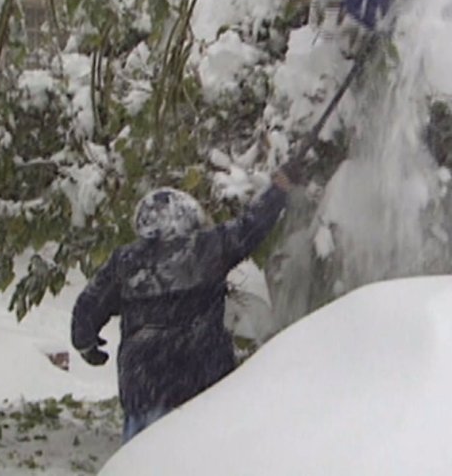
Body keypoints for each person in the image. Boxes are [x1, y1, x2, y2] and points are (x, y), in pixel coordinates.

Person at [71, 169, 295, 443]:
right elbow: (252, 225)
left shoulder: (125, 261)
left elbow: (87, 306)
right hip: (201, 386)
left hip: (144, 390)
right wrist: (278, 190)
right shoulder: (207, 248)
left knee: (144, 460)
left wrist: (87, 346)